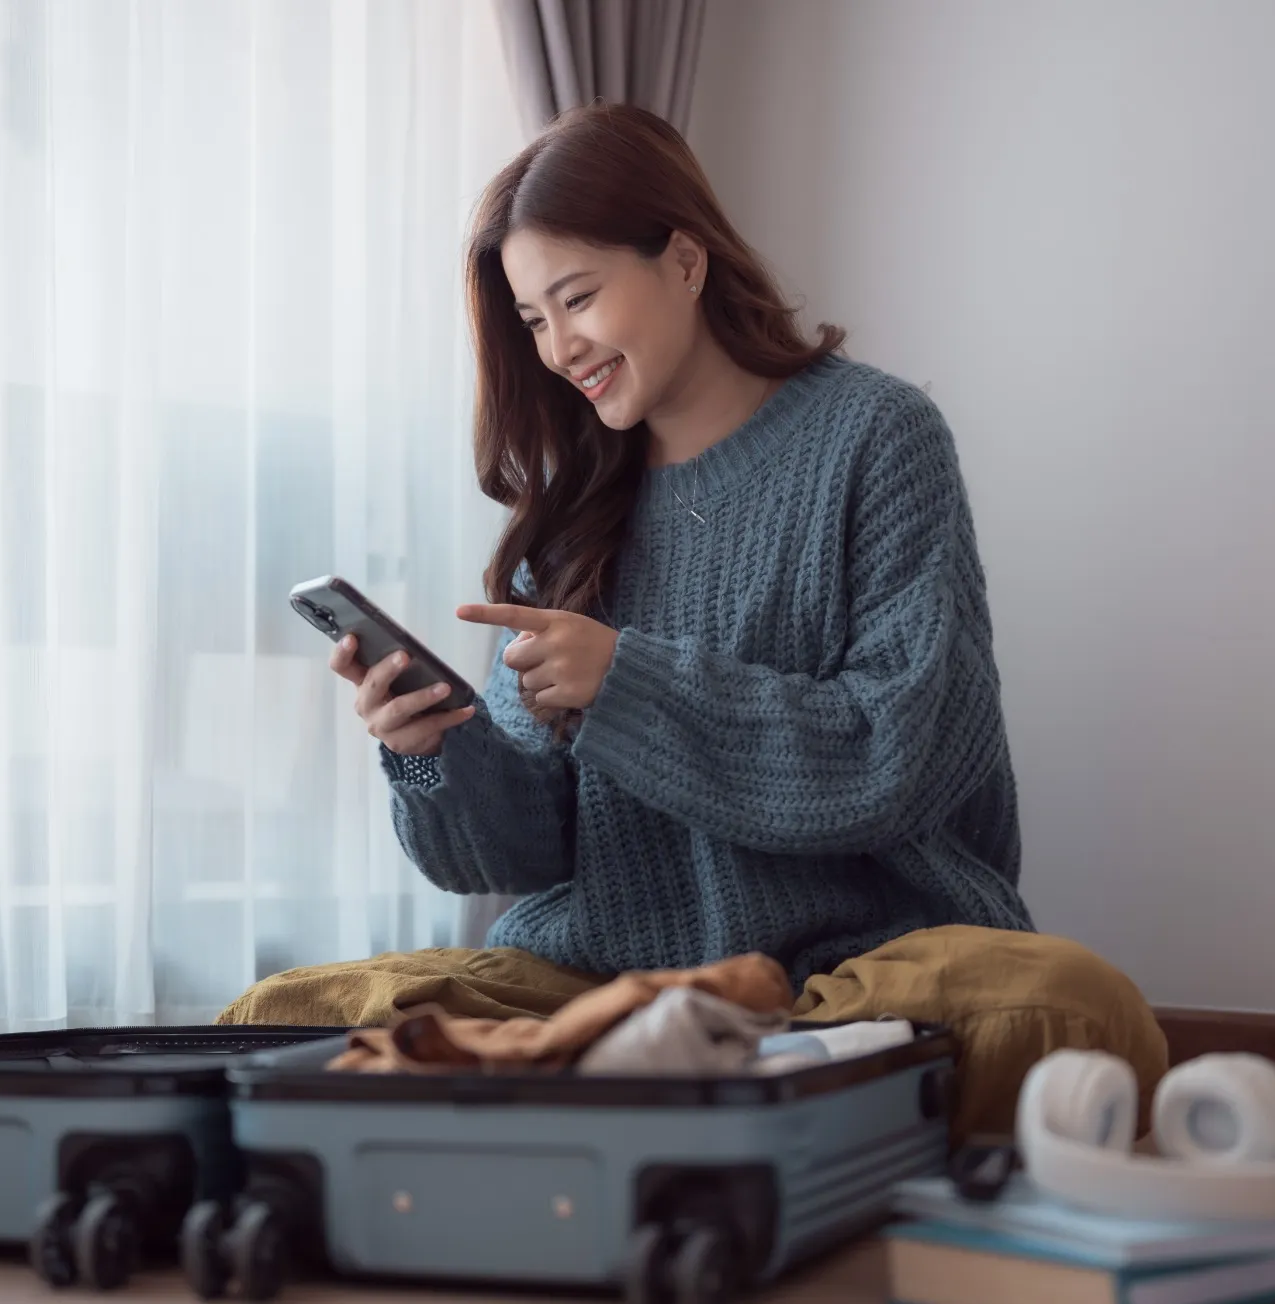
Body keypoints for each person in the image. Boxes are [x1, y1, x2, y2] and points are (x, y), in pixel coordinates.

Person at [221, 103, 1164, 1140]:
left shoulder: (877, 437)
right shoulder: (571, 515)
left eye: (575, 298)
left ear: (682, 259)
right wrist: (437, 747)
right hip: (597, 981)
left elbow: (901, 754)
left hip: (848, 973)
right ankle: (704, 1094)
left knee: (1070, 1011)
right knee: (278, 1016)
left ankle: (643, 1096)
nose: (558, 346)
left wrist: (626, 683)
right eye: (532, 320)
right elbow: (522, 850)